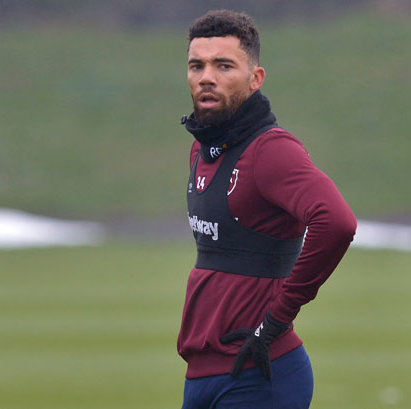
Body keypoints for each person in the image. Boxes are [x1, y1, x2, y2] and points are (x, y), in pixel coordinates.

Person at [177, 10, 356, 409]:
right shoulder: (202, 149)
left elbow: (337, 221)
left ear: (255, 79)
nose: (207, 76)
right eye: (197, 65)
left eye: (224, 65)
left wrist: (278, 317)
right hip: (202, 371)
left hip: (260, 373)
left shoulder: (271, 151)